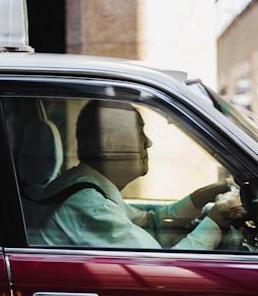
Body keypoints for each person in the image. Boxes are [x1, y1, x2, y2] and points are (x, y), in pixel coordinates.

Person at [33, 100, 246, 249]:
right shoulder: (91, 205)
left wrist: (203, 196)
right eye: (139, 132)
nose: (148, 142)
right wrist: (219, 218)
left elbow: (148, 224)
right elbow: (164, 271)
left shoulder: (84, 187)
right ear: (110, 145)